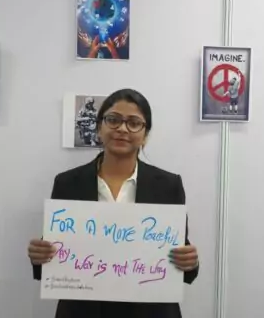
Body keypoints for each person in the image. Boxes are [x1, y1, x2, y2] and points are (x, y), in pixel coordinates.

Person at [28, 89, 199, 317]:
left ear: (145, 134)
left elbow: (182, 265)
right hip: (83, 310)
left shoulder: (168, 185)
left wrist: (190, 262)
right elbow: (53, 259)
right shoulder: (67, 182)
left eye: (134, 123)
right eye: (113, 119)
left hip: (151, 310)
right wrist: (40, 256)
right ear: (100, 127)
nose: (122, 129)